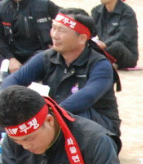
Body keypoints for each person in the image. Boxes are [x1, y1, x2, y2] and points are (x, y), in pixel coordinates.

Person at [2, 9, 122, 139]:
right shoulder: (47, 57)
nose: (55, 35)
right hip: (56, 115)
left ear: (82, 38)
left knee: (73, 116)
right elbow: (14, 80)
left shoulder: (100, 65)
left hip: (97, 124)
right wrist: (9, 102)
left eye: (61, 31)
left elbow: (87, 97)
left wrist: (46, 113)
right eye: (54, 28)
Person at [0, 0, 60, 73]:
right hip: (14, 60)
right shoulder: (2, 8)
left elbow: (69, 22)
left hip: (43, 57)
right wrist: (10, 59)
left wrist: (58, 47)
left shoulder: (44, 4)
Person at [91, 0, 138, 70]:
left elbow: (123, 35)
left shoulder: (127, 12)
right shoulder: (96, 11)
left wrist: (105, 44)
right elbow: (91, 31)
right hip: (103, 49)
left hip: (124, 53)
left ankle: (95, 61)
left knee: (117, 46)